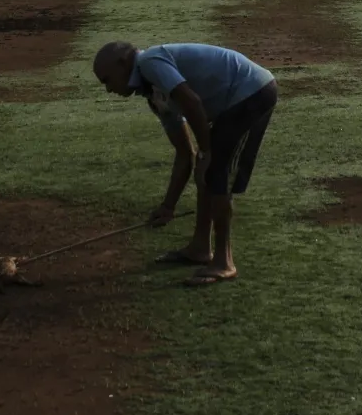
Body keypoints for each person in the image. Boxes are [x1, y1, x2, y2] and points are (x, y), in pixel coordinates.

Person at [92, 40, 278, 285]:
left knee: (215, 171)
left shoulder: (149, 62)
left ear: (123, 63)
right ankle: (201, 248)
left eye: (107, 80)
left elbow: (191, 101)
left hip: (251, 91)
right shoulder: (154, 94)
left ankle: (225, 261)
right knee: (206, 167)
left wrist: (208, 152)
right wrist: (168, 206)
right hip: (233, 102)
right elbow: (184, 153)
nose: (108, 90)